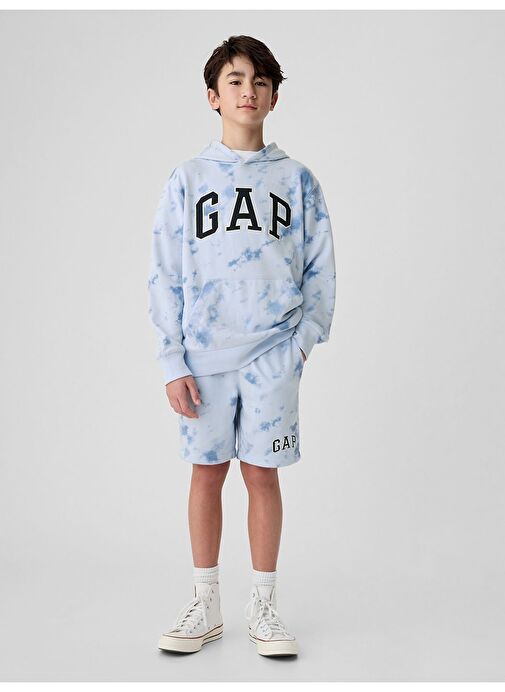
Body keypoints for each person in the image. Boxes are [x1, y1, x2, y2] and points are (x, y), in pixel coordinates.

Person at [147, 35, 336, 657]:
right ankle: (205, 603)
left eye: (259, 81)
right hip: (203, 357)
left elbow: (321, 269)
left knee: (261, 475)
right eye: (235, 80)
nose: (247, 91)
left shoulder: (296, 180)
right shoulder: (188, 179)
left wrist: (301, 345)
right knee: (206, 473)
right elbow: (165, 273)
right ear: (213, 96)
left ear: (274, 96)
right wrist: (172, 359)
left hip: (272, 355)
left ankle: (264, 605)